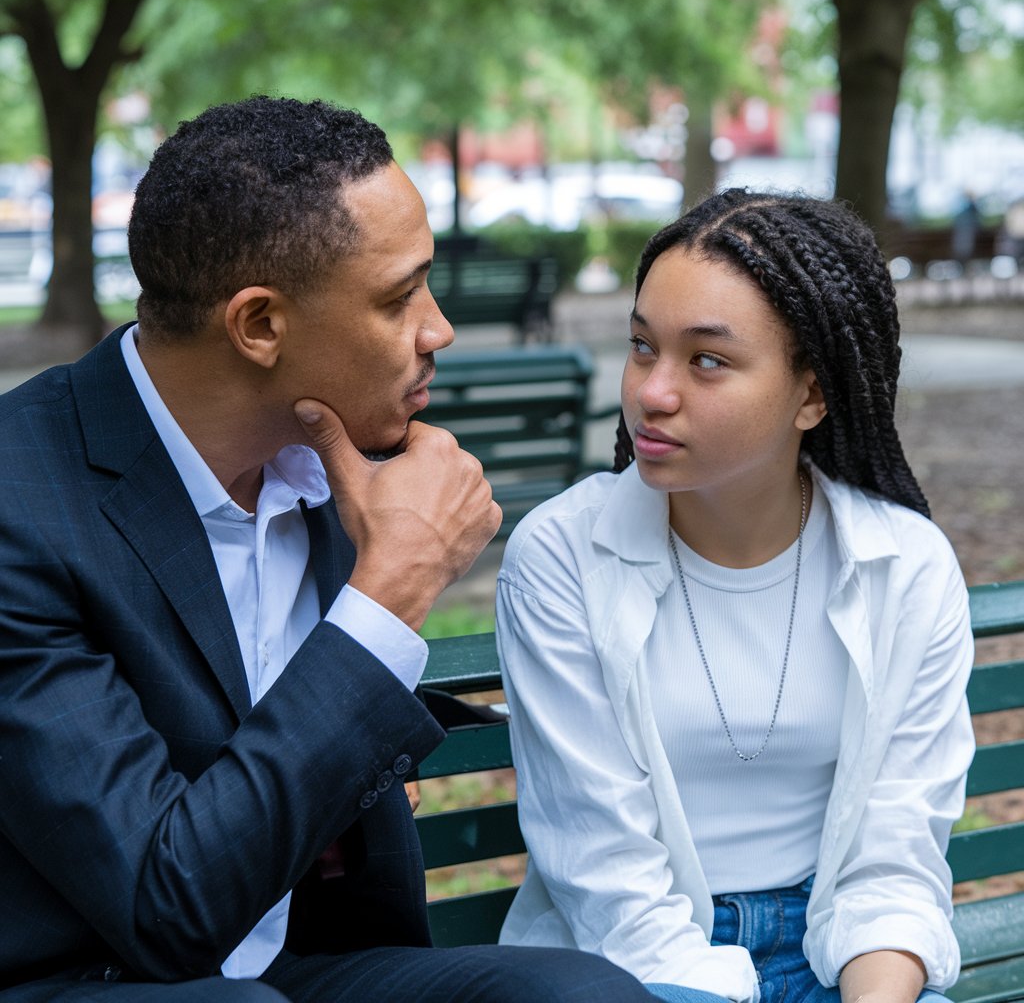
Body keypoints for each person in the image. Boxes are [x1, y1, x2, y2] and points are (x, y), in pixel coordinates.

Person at [0, 95, 655, 1003]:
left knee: (583, 995)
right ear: (260, 325)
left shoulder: (340, 456)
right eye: (399, 298)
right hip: (93, 980)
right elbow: (164, 907)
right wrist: (391, 590)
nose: (439, 331)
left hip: (301, 971)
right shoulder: (20, 503)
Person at [495, 190, 975, 1003]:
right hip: (635, 966)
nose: (653, 391)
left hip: (838, 949)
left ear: (812, 394)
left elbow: (894, 862)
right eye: (643, 348)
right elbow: (609, 883)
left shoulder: (906, 568)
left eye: (706, 360)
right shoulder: (562, 559)